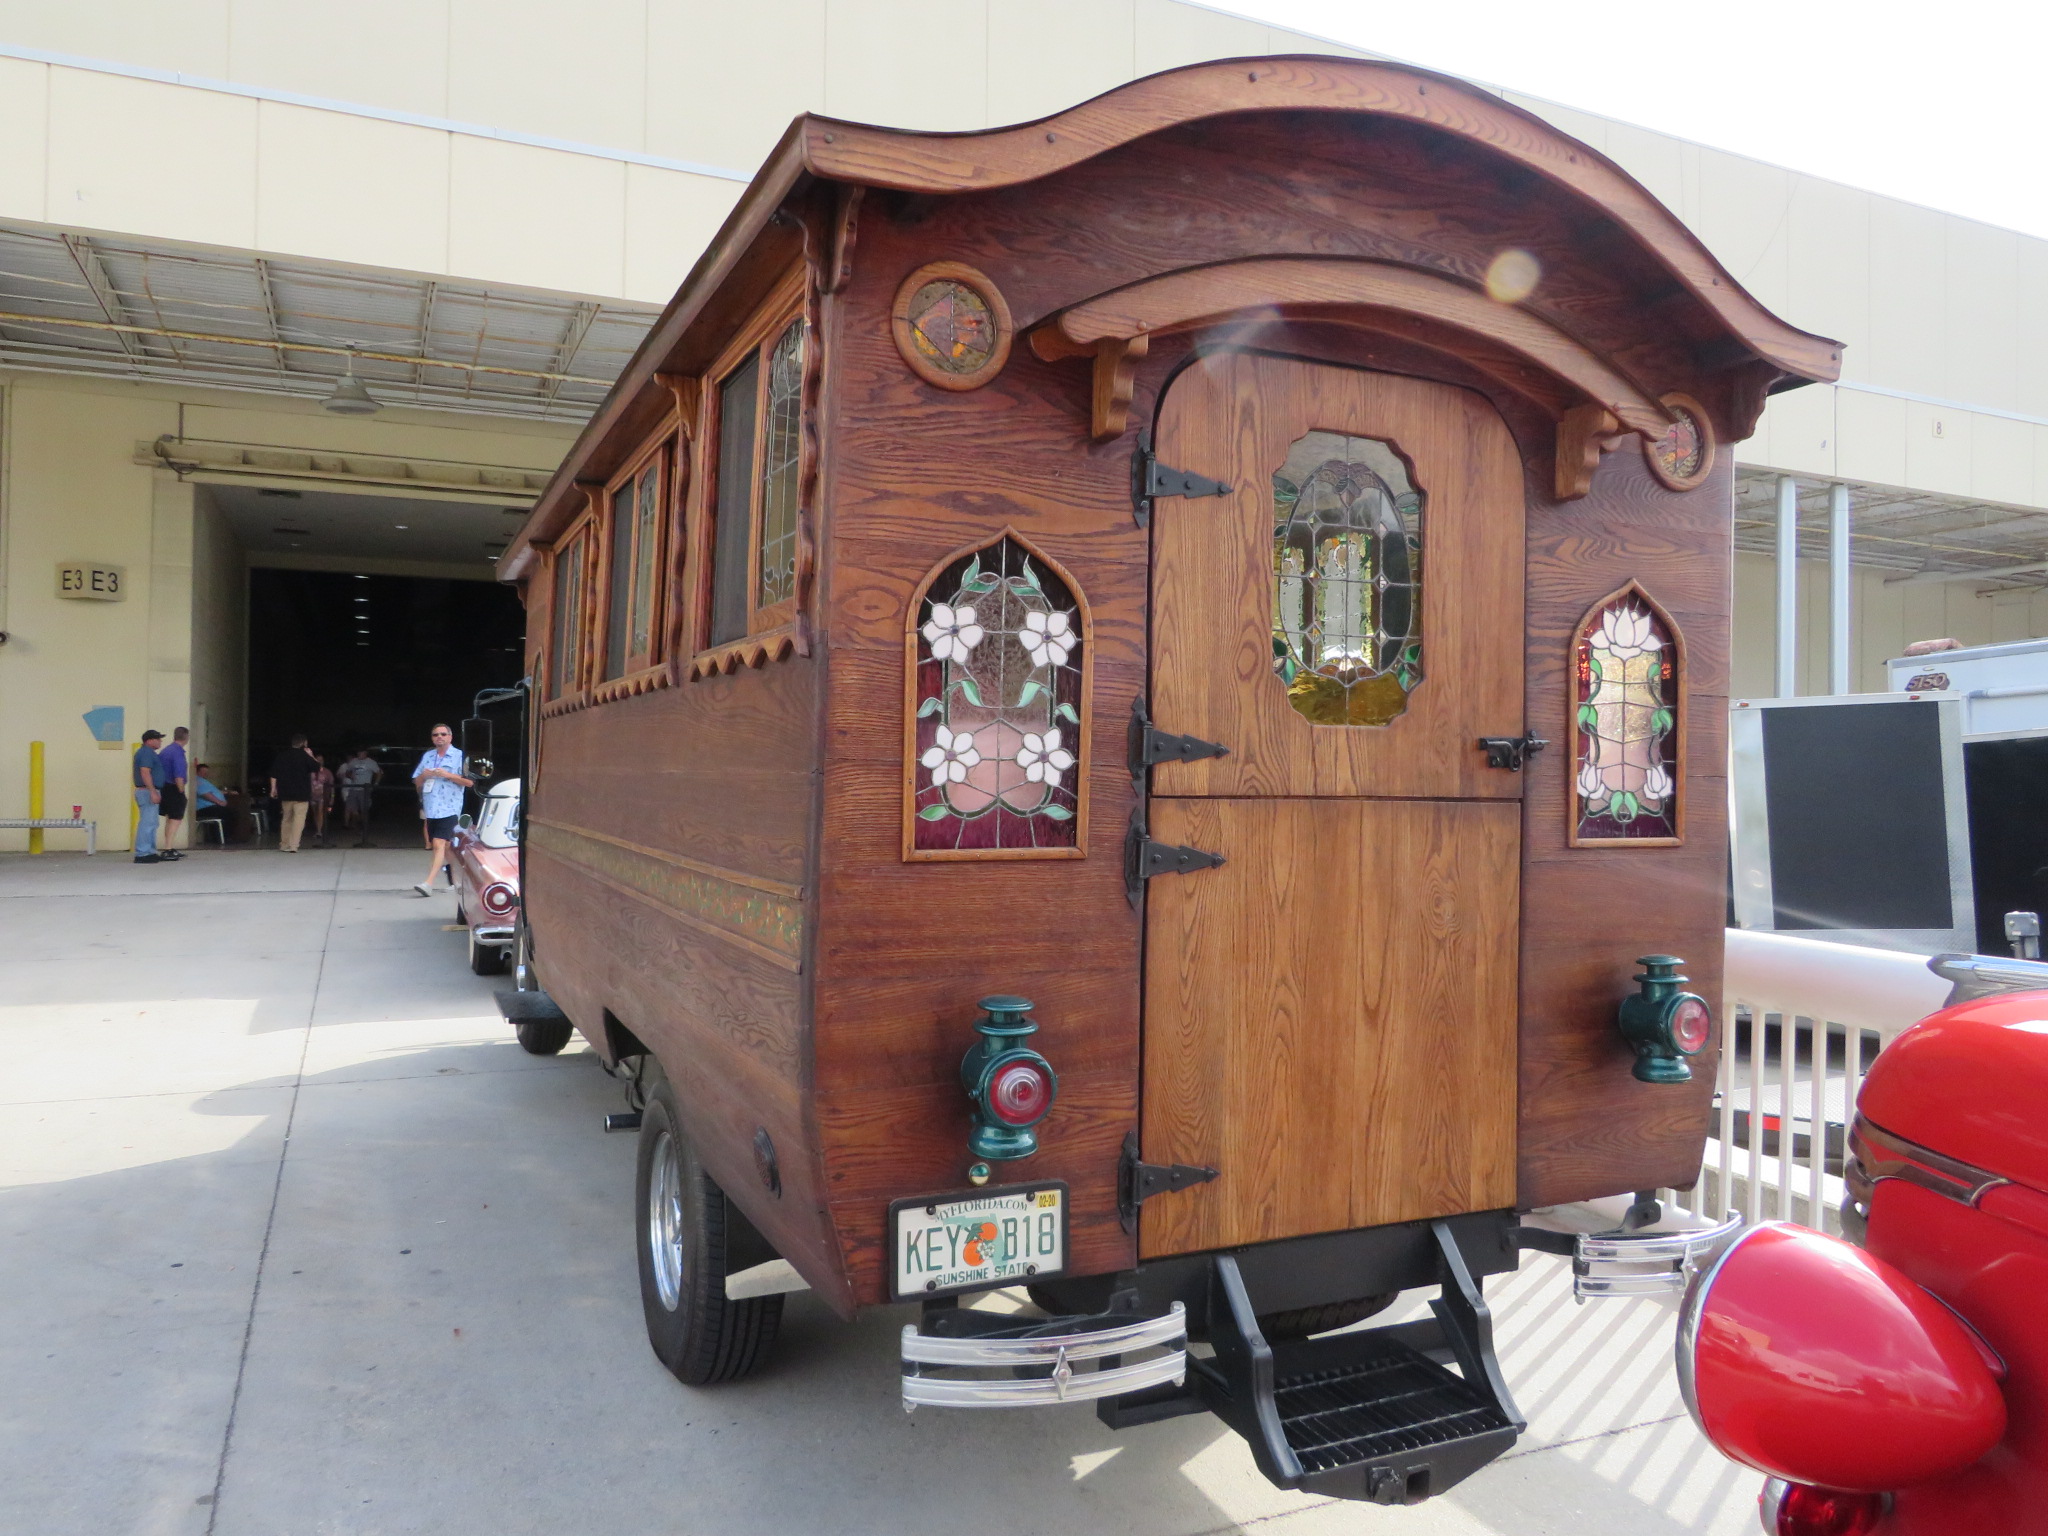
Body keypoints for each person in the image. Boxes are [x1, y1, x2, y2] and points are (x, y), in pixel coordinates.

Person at [412, 724, 472, 897]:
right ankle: (457, 880)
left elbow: (469, 782)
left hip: (450, 808)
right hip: (432, 808)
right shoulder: (428, 756)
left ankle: (428, 883)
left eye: (443, 734)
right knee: (446, 848)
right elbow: (417, 782)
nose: (439, 737)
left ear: (450, 737)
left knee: (438, 843)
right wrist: (425, 775)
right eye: (435, 734)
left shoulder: (460, 756)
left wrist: (447, 775)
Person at [268, 734, 318, 852]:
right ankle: (294, 845)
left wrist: (273, 789)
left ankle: (284, 844)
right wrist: (311, 755)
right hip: (302, 793)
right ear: (303, 743)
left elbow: (274, 774)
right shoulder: (305, 756)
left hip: (286, 793)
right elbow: (317, 767)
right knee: (299, 819)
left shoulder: (282, 756)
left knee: (286, 819)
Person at [132, 730, 166, 864]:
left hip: (149, 790)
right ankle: (142, 852)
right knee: (147, 822)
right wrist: (152, 791)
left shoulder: (148, 753)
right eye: (158, 739)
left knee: (152, 822)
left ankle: (150, 851)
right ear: (149, 740)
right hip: (147, 791)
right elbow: (145, 772)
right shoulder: (146, 752)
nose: (160, 741)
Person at [158, 726, 191, 855]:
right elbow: (179, 775)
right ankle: (168, 848)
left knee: (169, 818)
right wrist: (181, 792)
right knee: (175, 818)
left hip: (164, 787)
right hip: (173, 788)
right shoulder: (177, 753)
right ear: (186, 737)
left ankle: (169, 846)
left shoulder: (166, 751)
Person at [337, 747, 381, 843]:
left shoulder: (371, 762)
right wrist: (350, 776)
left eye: (361, 753)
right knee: (352, 808)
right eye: (358, 753)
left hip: (364, 789)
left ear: (365, 753)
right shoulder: (353, 761)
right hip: (353, 788)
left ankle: (364, 828)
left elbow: (378, 773)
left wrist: (375, 784)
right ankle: (356, 827)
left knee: (364, 809)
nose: (359, 754)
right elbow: (348, 771)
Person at [193, 765, 230, 840]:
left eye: (207, 772)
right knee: (228, 814)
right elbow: (205, 794)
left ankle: (222, 837)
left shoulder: (204, 781)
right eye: (203, 772)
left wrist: (228, 792)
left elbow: (214, 792)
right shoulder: (198, 780)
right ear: (197, 771)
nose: (205, 774)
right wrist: (219, 802)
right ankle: (222, 838)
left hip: (210, 807)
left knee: (228, 813)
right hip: (204, 808)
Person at [309, 754, 336, 848]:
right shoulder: (310, 771)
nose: (320, 761)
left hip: (322, 796)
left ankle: (319, 831)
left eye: (321, 760)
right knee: (315, 813)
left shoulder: (327, 772)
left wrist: (332, 798)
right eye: (318, 759)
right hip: (312, 796)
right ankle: (318, 828)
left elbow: (332, 786)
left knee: (320, 812)